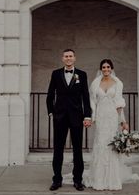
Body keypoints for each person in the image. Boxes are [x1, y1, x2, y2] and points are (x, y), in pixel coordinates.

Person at [86, 59, 139, 190]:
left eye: (108, 67)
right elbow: (93, 101)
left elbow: (119, 103)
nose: (106, 69)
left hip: (112, 117)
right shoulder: (95, 83)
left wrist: (123, 121)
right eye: (103, 67)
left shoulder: (117, 83)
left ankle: (112, 180)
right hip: (100, 117)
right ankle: (99, 179)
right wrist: (92, 117)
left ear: (111, 68)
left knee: (111, 145)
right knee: (101, 144)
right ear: (100, 69)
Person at [46, 49, 92, 192]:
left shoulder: (82, 74)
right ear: (62, 59)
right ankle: (57, 180)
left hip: (77, 117)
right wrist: (51, 112)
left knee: (77, 150)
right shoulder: (56, 74)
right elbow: (50, 94)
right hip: (59, 117)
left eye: (70, 56)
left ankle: (78, 180)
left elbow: (85, 96)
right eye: (66, 56)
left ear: (74, 58)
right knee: (58, 149)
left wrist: (87, 115)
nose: (68, 58)